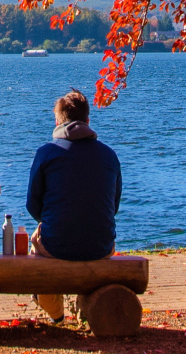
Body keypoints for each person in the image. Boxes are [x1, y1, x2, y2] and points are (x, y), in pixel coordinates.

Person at [25, 89, 123, 262]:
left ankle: (49, 289)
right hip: (101, 247)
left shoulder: (45, 153)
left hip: (56, 246)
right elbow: (113, 206)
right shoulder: (109, 155)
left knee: (36, 243)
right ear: (87, 121)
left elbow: (33, 205)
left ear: (57, 122)